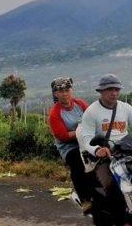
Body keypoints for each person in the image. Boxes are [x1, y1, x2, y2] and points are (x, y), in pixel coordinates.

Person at [77, 74, 132, 224]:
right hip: (107, 156)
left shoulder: (125, 108)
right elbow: (86, 138)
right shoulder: (91, 112)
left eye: (116, 89)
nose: (114, 93)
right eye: (109, 89)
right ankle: (123, 221)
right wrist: (97, 150)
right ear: (101, 91)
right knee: (111, 185)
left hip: (128, 151)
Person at [47, 76, 94, 214]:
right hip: (69, 147)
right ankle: (85, 199)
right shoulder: (55, 114)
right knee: (78, 162)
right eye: (61, 91)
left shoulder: (80, 104)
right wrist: (81, 131)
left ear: (71, 91)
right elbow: (63, 136)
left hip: (86, 141)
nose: (65, 93)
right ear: (56, 94)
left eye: (67, 90)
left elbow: (92, 118)